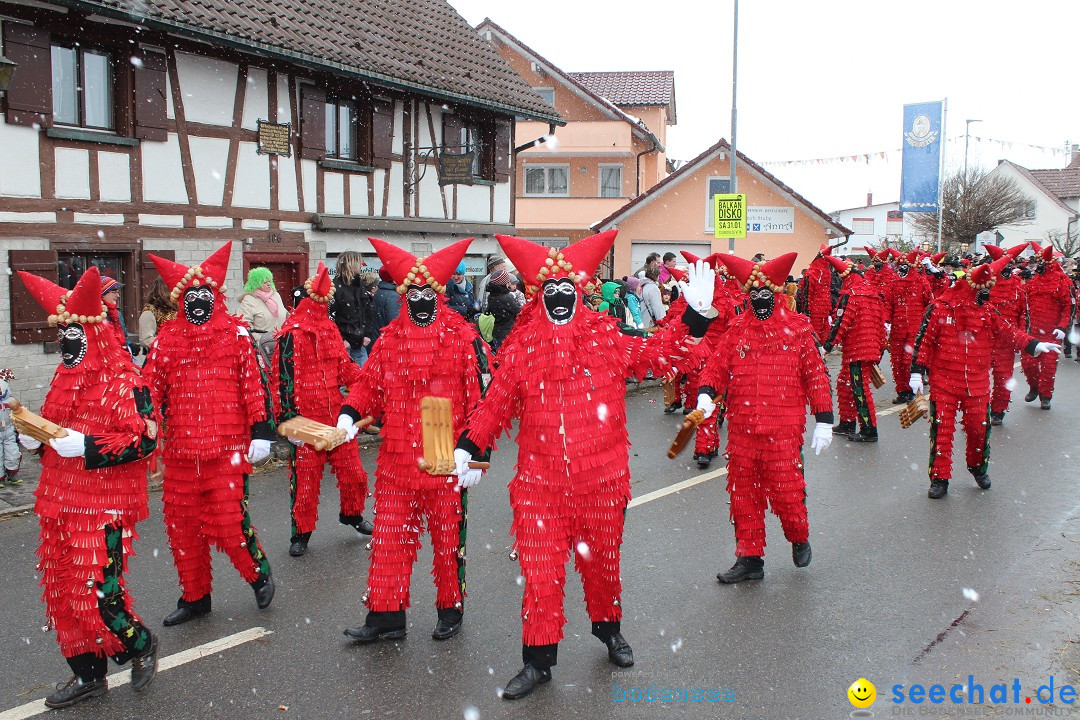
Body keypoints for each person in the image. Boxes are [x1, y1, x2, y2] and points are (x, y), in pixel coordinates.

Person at [453, 230, 715, 700]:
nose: (558, 299)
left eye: (566, 291)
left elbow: (657, 356)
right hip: (539, 486)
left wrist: (694, 317)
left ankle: (608, 631)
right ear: (538, 297)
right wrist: (472, 447)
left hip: (602, 482)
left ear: (578, 293)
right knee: (540, 573)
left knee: (602, 567)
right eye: (549, 292)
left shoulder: (607, 338)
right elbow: (496, 403)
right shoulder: (521, 347)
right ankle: (537, 662)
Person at [15, 266, 159, 708]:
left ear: (93, 334)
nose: (67, 344)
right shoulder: (63, 376)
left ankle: (141, 645)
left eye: (75, 335)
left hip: (104, 506)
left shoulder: (125, 381)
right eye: (63, 335)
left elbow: (146, 440)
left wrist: (89, 446)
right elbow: (55, 433)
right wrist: (35, 439)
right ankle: (88, 675)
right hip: (59, 500)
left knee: (99, 593)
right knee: (63, 594)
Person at [336, 238, 490, 645]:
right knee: (389, 537)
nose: (421, 299)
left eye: (427, 292)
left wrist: (477, 456)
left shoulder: (463, 338)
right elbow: (369, 386)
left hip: (445, 446)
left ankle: (450, 609)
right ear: (405, 296)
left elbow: (483, 400)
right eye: (414, 293)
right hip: (397, 455)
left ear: (438, 295)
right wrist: (349, 414)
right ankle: (386, 617)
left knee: (446, 538)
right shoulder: (388, 340)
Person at [143, 242, 276, 626]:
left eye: (204, 294)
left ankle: (258, 574)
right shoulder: (167, 340)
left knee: (227, 522)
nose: (197, 301)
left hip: (227, 449)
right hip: (182, 452)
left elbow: (253, 385)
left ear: (215, 296)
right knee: (182, 528)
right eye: (189, 295)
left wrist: (261, 431)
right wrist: (142, 417)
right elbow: (149, 387)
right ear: (179, 300)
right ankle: (195, 597)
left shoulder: (235, 335)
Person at [693, 253, 833, 584]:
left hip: (783, 430)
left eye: (765, 293)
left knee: (787, 493)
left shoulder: (798, 330)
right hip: (742, 430)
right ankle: (750, 559)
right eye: (753, 293)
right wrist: (705, 393)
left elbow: (816, 376)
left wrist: (824, 419)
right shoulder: (737, 329)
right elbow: (716, 365)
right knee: (744, 495)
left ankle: (798, 536)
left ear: (779, 294)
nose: (759, 299)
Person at [909, 256, 1060, 499]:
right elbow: (924, 342)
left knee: (979, 430)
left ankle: (978, 467)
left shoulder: (988, 312)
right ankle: (939, 478)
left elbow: (1010, 332)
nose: (989, 293)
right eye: (986, 288)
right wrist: (916, 372)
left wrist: (1035, 344)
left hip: (977, 385)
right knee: (942, 430)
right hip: (944, 382)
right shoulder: (940, 309)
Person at [273, 263, 372, 557]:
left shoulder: (329, 330)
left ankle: (351, 515)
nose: (323, 307)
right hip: (306, 419)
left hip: (336, 417)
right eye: (319, 301)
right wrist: (288, 421)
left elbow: (345, 368)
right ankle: (301, 534)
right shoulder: (289, 336)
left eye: (325, 302)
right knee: (305, 482)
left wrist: (368, 384)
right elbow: (282, 380)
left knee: (354, 473)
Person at [823, 255, 887, 443]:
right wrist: (880, 349)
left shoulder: (850, 295)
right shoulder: (872, 294)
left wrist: (827, 346)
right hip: (868, 347)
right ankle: (847, 422)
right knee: (845, 382)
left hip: (858, 350)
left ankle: (869, 429)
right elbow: (881, 324)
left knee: (859, 389)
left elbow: (841, 323)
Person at [1021, 242, 1073, 410]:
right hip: (1033, 331)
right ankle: (1034, 388)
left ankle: (1046, 395)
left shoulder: (1061, 281)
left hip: (1052, 332)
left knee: (1048, 366)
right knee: (1028, 364)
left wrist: (1062, 327)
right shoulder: (1033, 281)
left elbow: (1068, 306)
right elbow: (1024, 303)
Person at [984, 244, 1028, 425]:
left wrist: (1022, 339)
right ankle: (979, 412)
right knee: (978, 379)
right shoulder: (985, 286)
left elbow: (1024, 315)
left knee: (1003, 378)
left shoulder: (1019, 288)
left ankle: (998, 411)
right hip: (984, 340)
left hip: (1007, 342)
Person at [884, 251, 933, 404]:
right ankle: (902, 391)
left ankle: (912, 390)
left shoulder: (922, 282)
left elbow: (930, 303)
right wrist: (886, 321)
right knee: (897, 361)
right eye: (900, 266)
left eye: (905, 266)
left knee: (909, 361)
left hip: (915, 329)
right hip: (897, 329)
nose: (902, 269)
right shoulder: (893, 284)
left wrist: (926, 322)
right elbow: (888, 304)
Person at [238, 267, 288, 365]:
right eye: (264, 282)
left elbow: (285, 315)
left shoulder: (276, 295)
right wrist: (259, 340)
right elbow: (244, 324)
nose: (268, 284)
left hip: (282, 345)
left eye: (269, 281)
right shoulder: (249, 300)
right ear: (256, 284)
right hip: (262, 349)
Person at [331, 251, 372, 366]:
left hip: (359, 342)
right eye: (359, 262)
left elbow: (367, 312)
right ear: (352, 264)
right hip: (345, 343)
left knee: (362, 380)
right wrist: (341, 338)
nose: (361, 265)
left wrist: (367, 334)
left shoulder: (359, 285)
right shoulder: (335, 287)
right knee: (347, 381)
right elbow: (331, 316)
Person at [138, 276, 177, 352]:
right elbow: (146, 340)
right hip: (159, 358)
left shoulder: (178, 308)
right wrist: (171, 344)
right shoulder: (150, 311)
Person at [486, 269, 520, 353]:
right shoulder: (506, 297)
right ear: (504, 283)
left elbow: (487, 311)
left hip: (497, 331)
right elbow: (518, 310)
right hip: (507, 332)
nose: (509, 283)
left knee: (499, 356)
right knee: (507, 357)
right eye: (508, 282)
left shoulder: (491, 296)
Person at [806, 244, 835, 340]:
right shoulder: (812, 273)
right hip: (814, 312)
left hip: (824, 312)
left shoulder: (826, 272)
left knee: (822, 336)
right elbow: (807, 294)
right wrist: (807, 311)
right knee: (814, 336)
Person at [100, 276, 133, 359]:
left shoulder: (117, 313)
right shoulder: (96, 316)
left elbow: (124, 336)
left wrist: (129, 345)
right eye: (114, 292)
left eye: (118, 292)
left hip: (121, 358)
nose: (118, 295)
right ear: (102, 294)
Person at [368, 266, 401, 345]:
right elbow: (394, 322)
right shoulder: (393, 296)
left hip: (378, 338)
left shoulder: (379, 292)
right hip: (387, 342)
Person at [0, 370, 20, 486]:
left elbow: (20, 413)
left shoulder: (11, 401)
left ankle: (12, 473)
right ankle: (0, 478)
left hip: (8, 430)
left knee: (13, 453)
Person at [638, 265, 666, 330]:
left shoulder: (643, 286)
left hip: (643, 319)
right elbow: (657, 307)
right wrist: (663, 322)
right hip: (650, 323)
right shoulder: (653, 288)